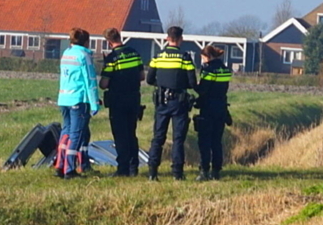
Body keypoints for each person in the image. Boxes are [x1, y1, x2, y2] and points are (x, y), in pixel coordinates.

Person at [146, 26, 197, 181]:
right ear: (181, 38)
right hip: (179, 102)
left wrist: (161, 84)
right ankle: (177, 173)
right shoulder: (184, 58)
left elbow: (149, 80)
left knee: (158, 137)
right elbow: (192, 83)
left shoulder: (158, 56)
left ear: (167, 38)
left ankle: (152, 173)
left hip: (161, 102)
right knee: (178, 139)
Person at [99, 27, 145, 176]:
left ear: (108, 42)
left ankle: (123, 169)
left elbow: (104, 84)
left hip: (118, 100)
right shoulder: (134, 53)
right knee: (131, 133)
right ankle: (134, 167)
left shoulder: (112, 58)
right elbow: (142, 76)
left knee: (120, 135)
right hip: (133, 99)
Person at [57, 27, 99, 179]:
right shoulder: (83, 55)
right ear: (86, 42)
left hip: (63, 98)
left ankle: (59, 165)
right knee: (76, 135)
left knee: (66, 131)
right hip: (78, 99)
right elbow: (90, 81)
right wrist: (94, 104)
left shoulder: (66, 53)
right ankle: (69, 169)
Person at [194, 45, 232, 181]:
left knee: (204, 141)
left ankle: (204, 171)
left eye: (202, 58)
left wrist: (195, 85)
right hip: (221, 107)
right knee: (216, 141)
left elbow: (203, 90)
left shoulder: (208, 69)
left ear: (208, 56)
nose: (202, 61)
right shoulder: (225, 69)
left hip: (208, 108)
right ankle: (216, 171)